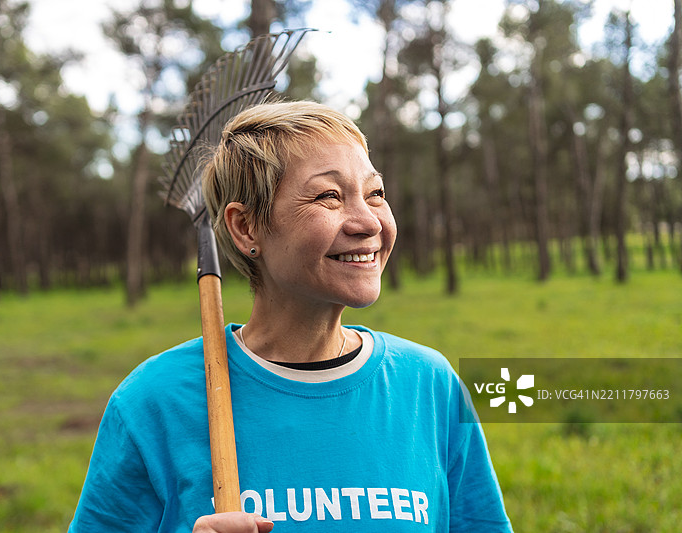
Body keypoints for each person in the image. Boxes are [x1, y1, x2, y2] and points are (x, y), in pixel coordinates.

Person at [69, 101, 513, 532]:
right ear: (246, 228)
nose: (368, 221)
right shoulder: (154, 402)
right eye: (329, 196)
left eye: (375, 193)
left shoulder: (429, 386)